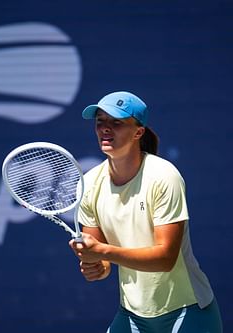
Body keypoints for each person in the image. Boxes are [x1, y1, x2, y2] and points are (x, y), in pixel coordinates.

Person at [69, 91, 223, 333]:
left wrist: (103, 251)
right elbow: (104, 260)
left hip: (188, 312)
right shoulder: (88, 185)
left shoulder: (163, 176)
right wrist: (98, 266)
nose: (105, 129)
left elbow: (165, 258)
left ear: (138, 132)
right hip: (131, 315)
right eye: (100, 122)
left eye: (116, 123)